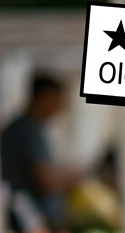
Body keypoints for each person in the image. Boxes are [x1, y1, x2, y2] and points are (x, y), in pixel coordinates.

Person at [1, 75, 79, 222]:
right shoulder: (25, 131)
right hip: (28, 217)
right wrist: (74, 177)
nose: (62, 105)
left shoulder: (32, 129)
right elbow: (46, 181)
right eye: (58, 98)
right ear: (44, 97)